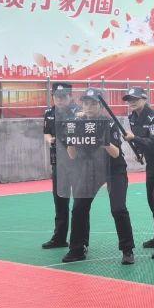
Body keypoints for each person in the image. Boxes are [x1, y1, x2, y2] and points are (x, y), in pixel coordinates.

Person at [63, 88, 135, 265]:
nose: (88, 107)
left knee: (118, 208)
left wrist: (102, 140)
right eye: (85, 103)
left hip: (114, 169)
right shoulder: (77, 123)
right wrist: (71, 140)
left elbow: (116, 153)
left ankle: (127, 250)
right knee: (79, 207)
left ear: (101, 106)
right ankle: (77, 248)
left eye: (93, 103)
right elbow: (72, 155)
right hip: (92, 170)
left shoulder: (108, 124)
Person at [123, 87, 154, 259]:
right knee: (152, 200)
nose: (132, 102)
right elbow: (142, 142)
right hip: (152, 162)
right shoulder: (132, 117)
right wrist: (139, 152)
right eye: (129, 99)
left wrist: (134, 139)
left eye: (135, 98)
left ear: (144, 99)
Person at [41, 82, 76, 250]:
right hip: (58, 162)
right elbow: (46, 132)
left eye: (63, 97)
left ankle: (80, 240)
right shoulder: (49, 113)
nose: (60, 100)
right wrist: (50, 140)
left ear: (70, 97)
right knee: (60, 201)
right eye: (57, 97)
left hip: (77, 163)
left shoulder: (79, 112)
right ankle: (60, 238)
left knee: (80, 204)